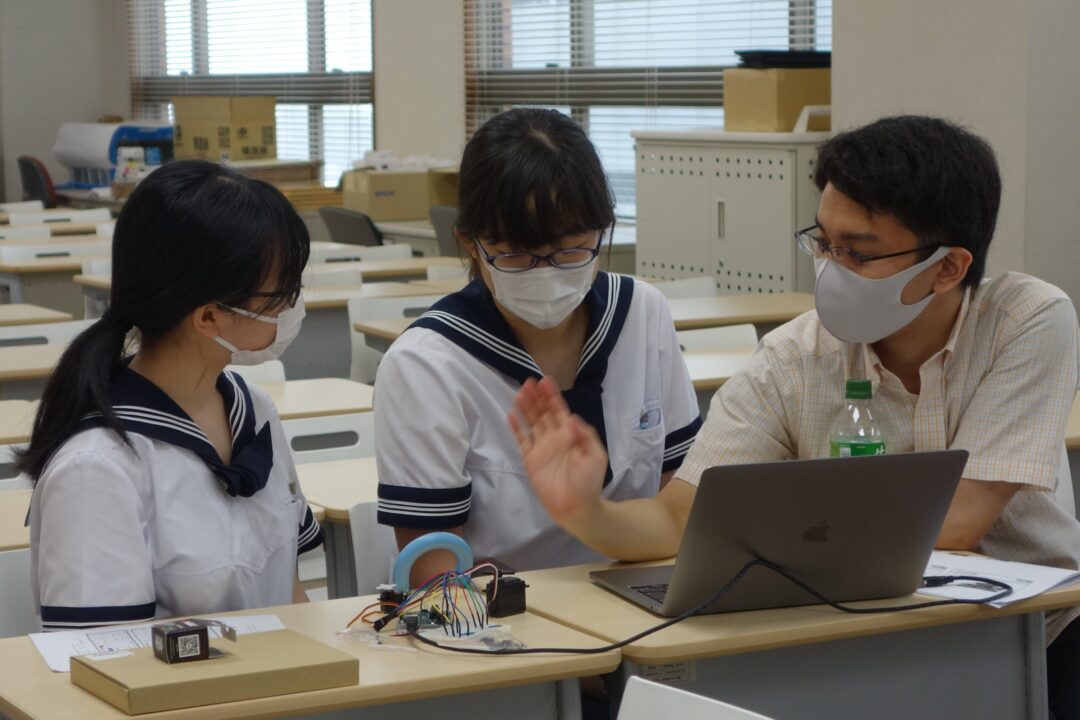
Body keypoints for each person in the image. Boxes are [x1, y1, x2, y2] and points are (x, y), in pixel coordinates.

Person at [512, 116, 1080, 718]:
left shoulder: (1025, 319)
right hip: (861, 639)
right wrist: (586, 511)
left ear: (948, 267)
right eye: (823, 242)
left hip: (1032, 635)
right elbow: (678, 521)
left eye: (858, 253)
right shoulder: (792, 359)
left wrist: (778, 539)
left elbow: (959, 522)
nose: (831, 268)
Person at [373, 108, 702, 584]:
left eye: (571, 249)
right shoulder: (427, 363)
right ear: (469, 242)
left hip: (642, 603)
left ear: (603, 228)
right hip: (506, 629)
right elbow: (435, 576)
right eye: (516, 254)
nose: (546, 273)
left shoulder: (642, 313)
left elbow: (681, 511)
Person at [18, 160, 322, 631]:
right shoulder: (98, 468)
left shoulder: (254, 410)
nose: (294, 306)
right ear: (208, 318)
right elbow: (105, 663)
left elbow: (292, 595)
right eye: (281, 294)